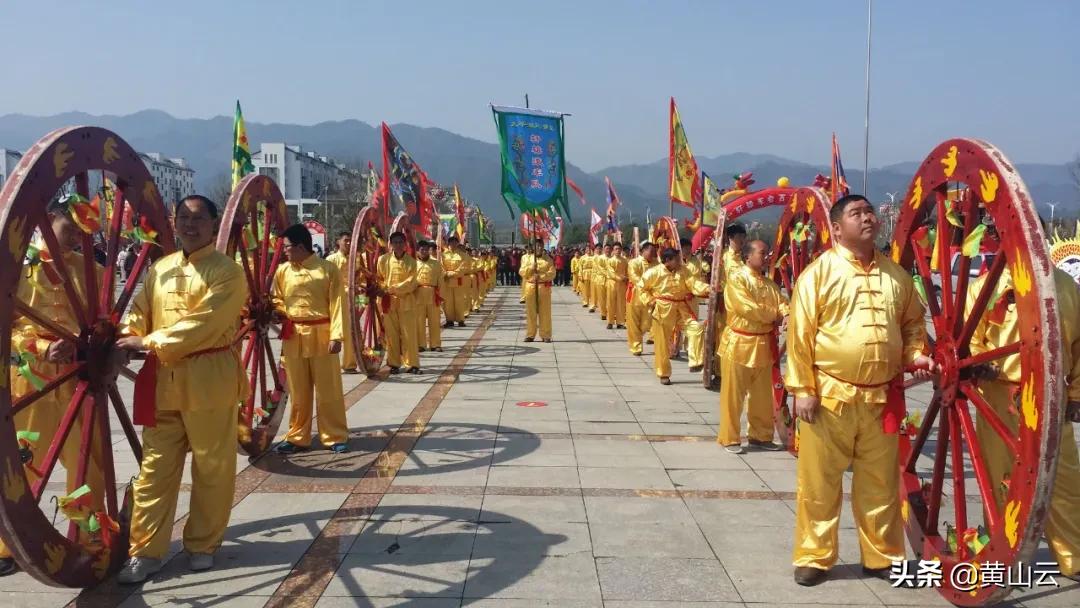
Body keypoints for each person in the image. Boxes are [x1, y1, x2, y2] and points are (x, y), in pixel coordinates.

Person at [785, 194, 935, 586]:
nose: (867, 218)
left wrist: (917, 354)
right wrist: (802, 388)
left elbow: (913, 326)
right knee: (819, 482)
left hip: (880, 398)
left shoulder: (896, 277)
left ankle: (882, 556)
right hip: (830, 395)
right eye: (856, 214)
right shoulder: (818, 274)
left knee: (881, 482)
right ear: (836, 228)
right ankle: (814, 556)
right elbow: (800, 336)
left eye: (869, 212)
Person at [115, 195, 247, 583]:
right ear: (174, 223)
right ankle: (146, 551)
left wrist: (149, 342)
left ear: (213, 222)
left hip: (209, 377)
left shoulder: (228, 272)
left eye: (199, 219)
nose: (190, 225)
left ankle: (203, 543)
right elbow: (139, 310)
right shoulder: (160, 269)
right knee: (155, 468)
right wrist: (129, 334)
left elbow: (206, 323)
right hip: (164, 383)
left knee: (211, 466)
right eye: (183, 218)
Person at [0, 198, 107, 577]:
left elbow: (105, 321)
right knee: (24, 460)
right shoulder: (18, 269)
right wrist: (43, 347)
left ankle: (92, 533)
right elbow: (6, 328)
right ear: (49, 219)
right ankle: (7, 544)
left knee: (87, 462)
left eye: (84, 226)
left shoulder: (90, 268)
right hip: (32, 381)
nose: (78, 232)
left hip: (78, 381)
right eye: (71, 224)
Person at [968, 262, 1080, 580]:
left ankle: (1073, 556)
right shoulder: (985, 288)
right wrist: (980, 365)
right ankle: (1002, 558)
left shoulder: (1063, 284)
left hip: (1050, 395)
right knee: (1001, 477)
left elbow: (1078, 343)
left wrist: (1076, 394)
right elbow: (972, 338)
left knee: (1063, 479)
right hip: (999, 395)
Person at [271, 224, 349, 455]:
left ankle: (334, 435)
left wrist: (337, 335)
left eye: (286, 247)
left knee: (328, 389)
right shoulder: (283, 271)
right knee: (298, 390)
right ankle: (297, 436)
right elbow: (276, 298)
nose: (284, 251)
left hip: (322, 334)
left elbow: (338, 304)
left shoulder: (327, 269)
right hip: (294, 336)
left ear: (300, 246)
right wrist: (280, 310)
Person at [718, 240, 788, 454]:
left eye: (768, 253)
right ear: (748, 256)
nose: (766, 256)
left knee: (762, 396)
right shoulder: (737, 280)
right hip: (739, 343)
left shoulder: (769, 285)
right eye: (762, 252)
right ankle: (729, 437)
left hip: (763, 345)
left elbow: (783, 303)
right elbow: (746, 308)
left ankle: (761, 435)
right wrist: (775, 315)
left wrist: (786, 313)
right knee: (733, 395)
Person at [640, 248, 710, 385]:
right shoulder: (654, 272)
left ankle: (696, 361)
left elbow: (694, 284)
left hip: (681, 308)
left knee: (696, 328)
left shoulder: (684, 271)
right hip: (662, 309)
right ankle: (663, 373)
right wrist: (650, 300)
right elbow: (641, 288)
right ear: (667, 261)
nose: (680, 261)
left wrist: (708, 288)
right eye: (677, 259)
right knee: (662, 343)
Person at [378, 232, 421, 373]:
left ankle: (412, 364)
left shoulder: (412, 262)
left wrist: (393, 289)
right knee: (392, 334)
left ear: (405, 244)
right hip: (388, 303)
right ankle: (394, 363)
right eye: (395, 242)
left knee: (409, 334)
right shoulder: (383, 260)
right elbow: (379, 279)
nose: (398, 245)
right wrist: (383, 289)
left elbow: (412, 282)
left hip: (406, 302)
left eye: (400, 242)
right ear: (390, 244)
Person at [325, 231, 358, 373]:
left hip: (352, 299)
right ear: (338, 242)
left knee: (352, 331)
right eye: (346, 240)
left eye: (350, 240)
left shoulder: (355, 259)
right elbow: (325, 280)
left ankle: (350, 363)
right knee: (333, 330)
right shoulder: (331, 259)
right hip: (335, 299)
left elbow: (360, 279)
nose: (349, 243)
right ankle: (329, 361)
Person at [520, 238, 556, 342]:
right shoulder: (526, 258)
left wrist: (541, 277)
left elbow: (552, 273)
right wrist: (531, 268)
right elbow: (522, 272)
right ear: (533, 247)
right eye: (537, 246)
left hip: (543, 287)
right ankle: (530, 334)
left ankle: (545, 334)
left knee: (545, 311)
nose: (539, 248)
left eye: (541, 245)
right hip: (530, 286)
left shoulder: (548, 259)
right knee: (531, 311)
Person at [626, 242, 659, 356]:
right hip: (635, 294)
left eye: (655, 251)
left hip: (649, 297)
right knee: (633, 322)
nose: (653, 253)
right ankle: (636, 346)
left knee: (647, 322)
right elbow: (635, 278)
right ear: (643, 251)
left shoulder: (657, 264)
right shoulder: (633, 263)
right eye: (651, 251)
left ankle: (638, 337)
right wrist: (649, 284)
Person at [415, 239, 444, 353]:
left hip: (433, 294)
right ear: (418, 251)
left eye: (426, 249)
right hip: (418, 294)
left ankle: (435, 344)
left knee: (435, 321)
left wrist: (440, 295)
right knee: (419, 321)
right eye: (422, 249)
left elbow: (441, 280)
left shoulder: (436, 263)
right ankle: (421, 344)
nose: (424, 251)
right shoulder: (413, 264)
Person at [441, 236, 471, 328]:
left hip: (458, 281)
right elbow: (440, 266)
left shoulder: (463, 255)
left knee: (459, 301)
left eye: (455, 242)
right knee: (447, 302)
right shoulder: (443, 255)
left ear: (457, 243)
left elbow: (464, 267)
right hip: (446, 281)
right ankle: (449, 320)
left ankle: (460, 319)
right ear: (448, 243)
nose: (453, 244)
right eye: (451, 242)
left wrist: (452, 273)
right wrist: (446, 273)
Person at [606, 242, 629, 330]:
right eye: (616, 249)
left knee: (621, 303)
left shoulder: (624, 261)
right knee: (611, 302)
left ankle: (620, 322)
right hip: (612, 283)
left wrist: (626, 278)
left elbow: (627, 272)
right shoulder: (610, 260)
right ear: (613, 250)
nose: (618, 250)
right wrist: (620, 278)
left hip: (622, 285)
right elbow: (611, 273)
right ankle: (610, 322)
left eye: (619, 249)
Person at [594, 243, 612, 319]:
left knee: (610, 297)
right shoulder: (600, 258)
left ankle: (610, 313)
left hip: (610, 280)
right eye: (606, 249)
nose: (608, 250)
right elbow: (601, 269)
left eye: (609, 249)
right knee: (602, 297)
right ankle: (603, 313)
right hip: (601, 279)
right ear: (604, 250)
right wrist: (610, 274)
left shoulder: (612, 258)